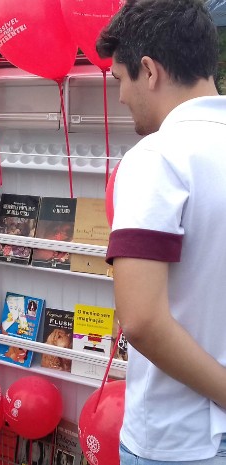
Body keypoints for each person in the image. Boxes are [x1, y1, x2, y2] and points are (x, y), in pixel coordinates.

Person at [96, 0, 226, 463]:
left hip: (179, 438)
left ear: (148, 71)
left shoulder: (158, 156)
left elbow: (143, 320)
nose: (121, 97)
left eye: (119, 80)